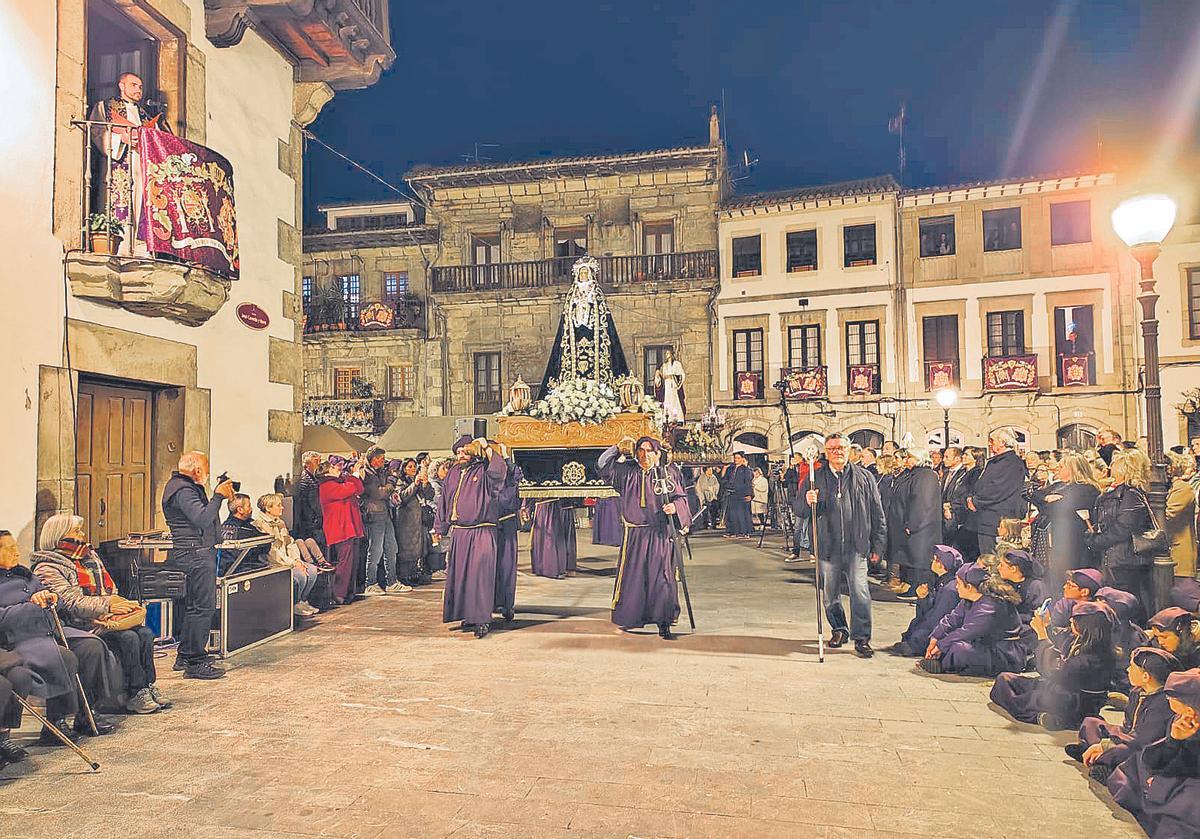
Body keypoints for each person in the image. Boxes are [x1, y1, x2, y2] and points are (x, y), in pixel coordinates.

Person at [30, 514, 168, 715]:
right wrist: (107, 607)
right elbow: (70, 602)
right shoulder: (48, 567)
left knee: (145, 633)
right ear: (59, 536)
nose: (82, 534)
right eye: (76, 530)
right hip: (79, 623)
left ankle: (147, 685)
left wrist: (116, 606)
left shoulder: (89, 557)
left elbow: (110, 589)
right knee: (128, 637)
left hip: (103, 616)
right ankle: (135, 692)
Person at [0, 529, 97, 745]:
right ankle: (47, 725)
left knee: (90, 646)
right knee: (63, 657)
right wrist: (32, 606)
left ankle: (65, 718)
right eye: (9, 548)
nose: (16, 552)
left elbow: (58, 602)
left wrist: (50, 597)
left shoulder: (25, 574)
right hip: (15, 638)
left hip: (44, 631)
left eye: (16, 546)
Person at [801, 433, 887, 658]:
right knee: (830, 594)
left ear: (849, 451)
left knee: (860, 591)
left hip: (856, 546)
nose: (837, 452)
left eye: (841, 448)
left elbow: (877, 512)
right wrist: (806, 500)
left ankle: (862, 637)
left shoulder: (865, 477)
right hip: (828, 547)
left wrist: (878, 544)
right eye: (832, 449)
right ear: (826, 452)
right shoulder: (815, 477)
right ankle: (839, 629)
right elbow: (800, 511)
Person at [598, 436, 692, 639]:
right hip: (635, 535)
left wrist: (675, 507)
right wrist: (618, 447)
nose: (645, 454)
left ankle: (663, 623)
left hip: (659, 534)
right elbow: (602, 465)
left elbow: (681, 498)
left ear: (657, 453)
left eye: (650, 451)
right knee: (634, 580)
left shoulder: (667, 473)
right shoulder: (627, 472)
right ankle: (631, 617)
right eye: (641, 450)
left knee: (662, 579)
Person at [162, 451, 234, 680]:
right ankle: (195, 661)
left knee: (195, 606)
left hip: (197, 552)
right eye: (206, 468)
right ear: (197, 471)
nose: (208, 473)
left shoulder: (183, 488)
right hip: (196, 554)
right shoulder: (182, 490)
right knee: (203, 607)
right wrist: (218, 497)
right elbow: (202, 519)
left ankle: (185, 655)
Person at [990, 600, 1117, 729]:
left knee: (1028, 699)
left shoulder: (1098, 656)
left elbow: (1055, 669)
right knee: (1004, 679)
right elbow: (1059, 637)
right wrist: (1045, 625)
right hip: (1058, 688)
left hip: (1073, 701)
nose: (1070, 623)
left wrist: (1042, 634)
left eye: (1074, 622)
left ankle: (1049, 718)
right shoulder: (1079, 638)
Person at [1107, 669, 1200, 838]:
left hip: (1190, 783)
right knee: (1137, 764)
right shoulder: (1180, 720)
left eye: (1171, 698)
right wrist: (1174, 739)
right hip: (1178, 770)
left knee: (1185, 805)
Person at [1066, 646, 1180, 782]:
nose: (1127, 670)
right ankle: (1097, 756)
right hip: (1128, 737)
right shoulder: (1136, 693)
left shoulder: (1163, 703)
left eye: (1132, 667)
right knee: (1092, 723)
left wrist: (1106, 745)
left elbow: (1142, 740)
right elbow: (1127, 727)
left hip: (1144, 747)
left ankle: (1103, 762)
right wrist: (1112, 740)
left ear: (1146, 676)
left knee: (1128, 753)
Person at [434, 436, 508, 638]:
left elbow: (499, 472)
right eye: (458, 452)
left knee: (480, 576)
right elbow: (444, 501)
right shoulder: (453, 473)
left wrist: (486, 446)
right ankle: (467, 615)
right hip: (460, 533)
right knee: (461, 577)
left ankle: (482, 619)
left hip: (482, 531)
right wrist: (439, 528)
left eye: (465, 451)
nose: (461, 455)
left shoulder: (485, 470)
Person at [87, 72, 167, 256]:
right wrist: (120, 139)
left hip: (140, 164)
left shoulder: (146, 116)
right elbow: (97, 132)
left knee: (140, 201)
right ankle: (119, 247)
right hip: (119, 161)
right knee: (120, 201)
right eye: (133, 85)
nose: (138, 89)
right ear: (121, 86)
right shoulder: (105, 107)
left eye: (140, 86)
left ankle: (140, 248)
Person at [920, 562, 1027, 676]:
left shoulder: (991, 605)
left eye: (959, 583)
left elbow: (968, 631)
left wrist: (941, 646)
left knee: (959, 649)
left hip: (1004, 654)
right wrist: (935, 638)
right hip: (984, 645)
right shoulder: (968, 599)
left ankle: (943, 665)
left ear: (969, 587)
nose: (956, 587)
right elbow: (952, 619)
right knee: (948, 642)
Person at [1086, 448, 1154, 614]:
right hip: (1114, 556)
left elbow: (1123, 528)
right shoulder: (1118, 492)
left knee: (1125, 601)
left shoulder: (1132, 494)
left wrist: (1096, 541)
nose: (1111, 469)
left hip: (1125, 559)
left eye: (1115, 466)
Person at [1025, 451, 1101, 592]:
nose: (1058, 470)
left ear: (1073, 469)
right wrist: (1046, 499)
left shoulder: (1086, 489)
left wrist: (1046, 503)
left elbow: (1058, 509)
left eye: (1062, 467)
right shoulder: (1059, 485)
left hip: (1073, 541)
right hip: (1055, 539)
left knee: (1068, 578)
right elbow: (1034, 495)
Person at [254, 493, 324, 618]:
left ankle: (302, 600)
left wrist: (297, 559)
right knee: (300, 575)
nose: (282, 508)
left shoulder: (280, 523)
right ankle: (295, 602)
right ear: (268, 508)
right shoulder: (260, 525)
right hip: (274, 563)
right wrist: (292, 563)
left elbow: (290, 543)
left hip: (288, 560)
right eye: (279, 505)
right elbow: (273, 552)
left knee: (312, 570)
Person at [892, 544, 963, 657]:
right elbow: (929, 611)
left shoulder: (949, 589)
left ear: (942, 565)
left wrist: (916, 643)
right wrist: (923, 598)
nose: (932, 561)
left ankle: (918, 644)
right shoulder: (942, 582)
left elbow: (937, 619)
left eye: (935, 559)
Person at [967, 428, 1028, 555]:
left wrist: (976, 501)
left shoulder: (1011, 462)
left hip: (998, 519)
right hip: (987, 519)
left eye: (992, 440)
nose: (989, 443)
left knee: (996, 558)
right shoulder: (997, 461)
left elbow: (998, 488)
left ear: (1002, 442)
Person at [319, 456, 366, 606]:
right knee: (345, 562)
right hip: (340, 528)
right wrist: (355, 475)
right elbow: (349, 490)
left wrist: (353, 476)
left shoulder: (341, 481)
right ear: (327, 471)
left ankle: (349, 592)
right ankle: (339, 593)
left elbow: (359, 488)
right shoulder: (326, 485)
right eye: (334, 467)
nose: (338, 468)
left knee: (353, 561)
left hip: (349, 527)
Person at [896, 447, 942, 600]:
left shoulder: (926, 476)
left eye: (909, 457)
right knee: (914, 557)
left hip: (923, 527)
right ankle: (914, 586)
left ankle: (921, 588)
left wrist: (913, 523)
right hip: (914, 525)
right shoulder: (914, 474)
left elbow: (922, 502)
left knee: (921, 558)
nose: (906, 460)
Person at [360, 447, 400, 596]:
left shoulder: (379, 472)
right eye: (380, 458)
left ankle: (392, 581)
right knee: (375, 550)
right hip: (374, 515)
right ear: (372, 458)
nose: (383, 461)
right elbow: (379, 493)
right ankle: (370, 583)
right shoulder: (367, 474)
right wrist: (391, 482)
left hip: (385, 513)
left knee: (391, 548)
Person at [493, 453, 522, 624]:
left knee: (506, 566)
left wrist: (506, 458)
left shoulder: (510, 475)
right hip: (487, 527)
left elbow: (516, 477)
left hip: (506, 524)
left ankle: (506, 604)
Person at [392, 458, 428, 589]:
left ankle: (413, 574)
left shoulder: (417, 482)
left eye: (414, 466)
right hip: (405, 520)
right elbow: (402, 497)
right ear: (404, 469)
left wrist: (425, 483)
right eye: (410, 467)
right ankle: (404, 575)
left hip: (417, 520)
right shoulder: (401, 482)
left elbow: (429, 495)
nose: (413, 469)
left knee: (416, 547)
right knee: (406, 547)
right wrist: (415, 484)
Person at [219, 494, 271, 576]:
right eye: (248, 506)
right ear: (240, 509)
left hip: (226, 571)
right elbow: (266, 544)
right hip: (242, 572)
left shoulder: (223, 526)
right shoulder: (246, 530)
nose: (251, 509)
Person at [1165, 451, 1198, 581]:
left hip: (1179, 555)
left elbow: (1167, 515)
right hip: (1167, 552)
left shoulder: (1183, 488)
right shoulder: (1168, 487)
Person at [293, 451, 325, 551]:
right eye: (316, 461)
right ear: (307, 464)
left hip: (312, 519)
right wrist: (319, 514)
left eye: (319, 461)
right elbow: (310, 502)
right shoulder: (306, 480)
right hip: (310, 520)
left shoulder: (313, 478)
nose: (318, 464)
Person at [783, 453, 812, 560]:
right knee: (797, 527)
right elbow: (787, 480)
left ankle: (812, 552)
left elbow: (801, 478)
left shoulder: (808, 467)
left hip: (807, 498)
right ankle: (795, 551)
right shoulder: (797, 467)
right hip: (797, 499)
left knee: (809, 527)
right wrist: (791, 468)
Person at [724, 452, 754, 539]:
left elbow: (748, 483)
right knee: (732, 514)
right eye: (735, 458)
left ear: (742, 459)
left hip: (742, 494)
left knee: (742, 514)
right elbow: (726, 479)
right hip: (732, 493)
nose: (735, 460)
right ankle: (733, 531)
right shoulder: (731, 469)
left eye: (737, 458)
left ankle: (744, 532)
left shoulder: (746, 470)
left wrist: (750, 494)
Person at [653, 348, 687, 424]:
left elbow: (682, 375)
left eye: (667, 353)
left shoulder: (677, 364)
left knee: (675, 401)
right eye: (665, 354)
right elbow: (661, 378)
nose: (666, 355)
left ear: (671, 354)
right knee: (667, 401)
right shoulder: (664, 366)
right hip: (666, 386)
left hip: (674, 386)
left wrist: (672, 377)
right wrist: (657, 376)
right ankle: (667, 419)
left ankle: (678, 418)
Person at [693, 467, 721, 533]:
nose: (710, 471)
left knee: (714, 510)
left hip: (713, 496)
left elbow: (717, 485)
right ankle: (706, 523)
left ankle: (714, 523)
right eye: (709, 470)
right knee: (705, 511)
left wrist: (712, 489)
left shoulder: (714, 477)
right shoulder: (702, 478)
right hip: (704, 497)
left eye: (711, 470)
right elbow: (700, 488)